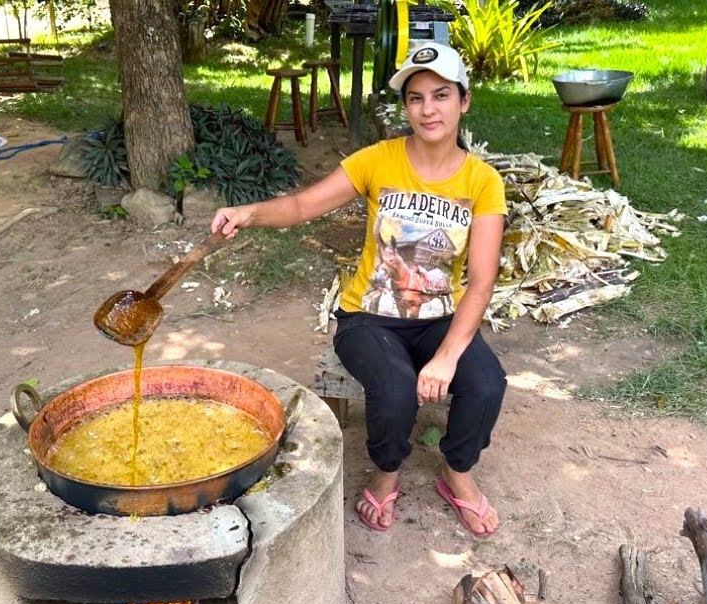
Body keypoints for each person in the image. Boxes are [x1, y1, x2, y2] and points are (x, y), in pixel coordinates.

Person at [210, 43, 508, 537]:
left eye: (440, 95)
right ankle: (387, 472)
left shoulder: (482, 181)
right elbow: (305, 205)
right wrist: (249, 213)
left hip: (439, 318)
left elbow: (481, 280)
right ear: (405, 106)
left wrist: (448, 356)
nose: (428, 109)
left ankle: (457, 471)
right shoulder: (378, 160)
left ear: (464, 101)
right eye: (415, 98)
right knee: (393, 391)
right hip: (368, 318)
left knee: (486, 384)